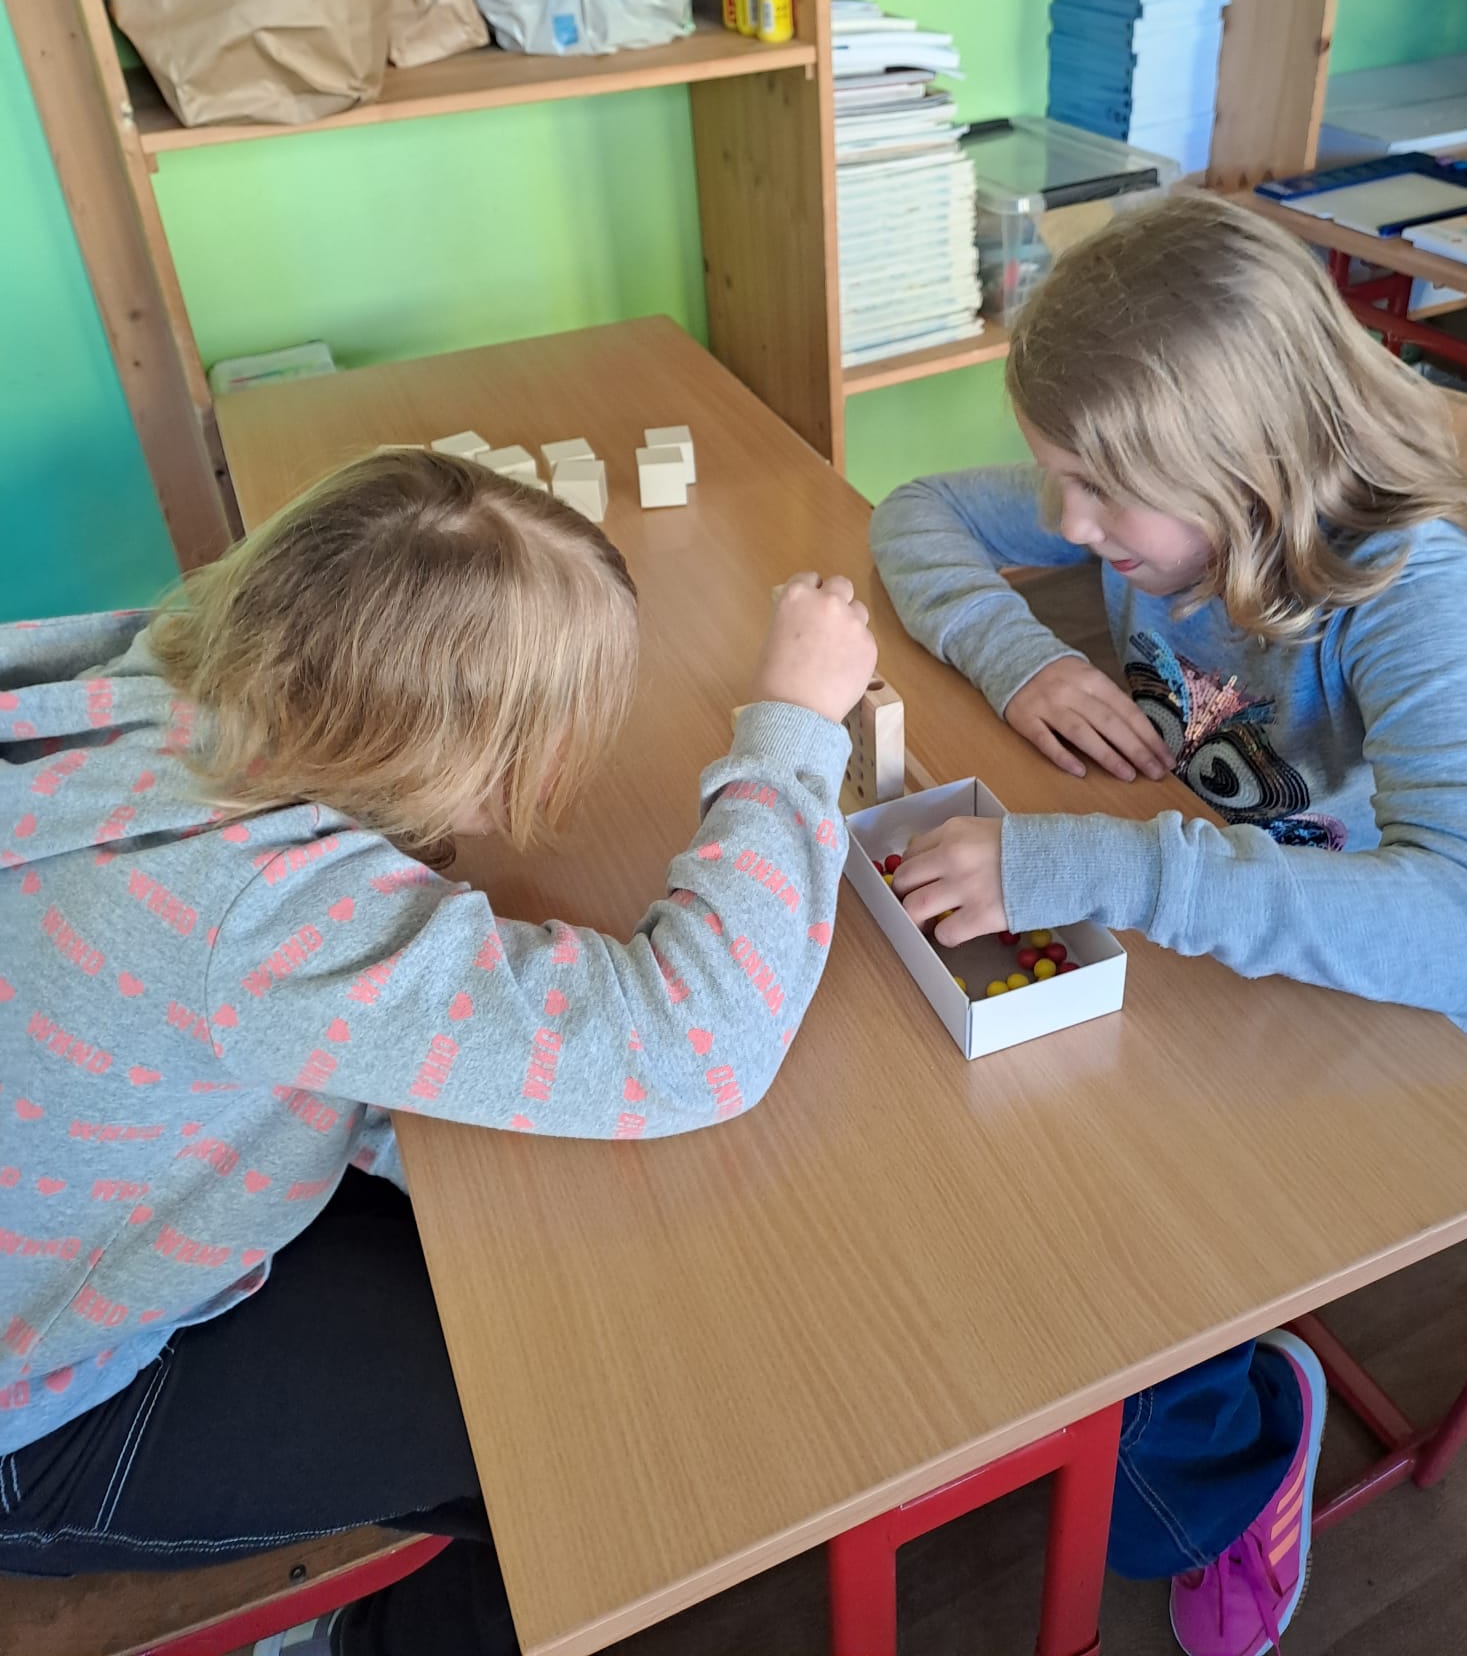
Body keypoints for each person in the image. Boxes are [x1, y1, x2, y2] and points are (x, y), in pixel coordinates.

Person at [0, 449, 876, 1656]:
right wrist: (793, 730)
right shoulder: (256, 907)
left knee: (559, 1291)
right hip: (46, 1408)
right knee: (596, 1447)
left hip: (107, 1239)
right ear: (456, 759)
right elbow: (693, 1038)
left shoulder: (170, 657)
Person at [870, 192, 1467, 1656]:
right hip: (1220, 924)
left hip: (1381, 1010)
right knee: (969, 1142)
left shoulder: (1424, 595)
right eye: (1056, 480)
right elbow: (915, 510)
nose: (1068, 527)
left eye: (1098, 493)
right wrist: (1022, 661)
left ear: (1249, 458)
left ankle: (1237, 1449)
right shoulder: (1171, 502)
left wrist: (1106, 870)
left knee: (1103, 1242)